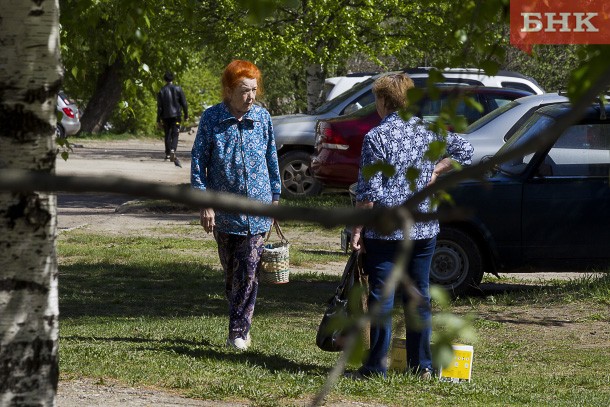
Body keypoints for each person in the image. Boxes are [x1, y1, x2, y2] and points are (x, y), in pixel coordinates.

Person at [349, 73, 474, 379]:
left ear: (382, 100)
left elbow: (369, 192)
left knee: (382, 298)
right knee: (419, 297)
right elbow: (466, 152)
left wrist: (356, 230)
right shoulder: (428, 130)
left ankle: (375, 367)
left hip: (385, 231)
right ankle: (423, 367)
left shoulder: (375, 137)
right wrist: (437, 168)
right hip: (423, 230)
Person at [191, 60, 281, 351]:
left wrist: (276, 198)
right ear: (229, 91)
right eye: (244, 91)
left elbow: (271, 160)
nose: (251, 97)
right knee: (232, 275)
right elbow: (198, 164)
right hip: (225, 214)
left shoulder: (263, 119)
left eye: (254, 90)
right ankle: (239, 318)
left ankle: (238, 330)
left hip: (258, 212)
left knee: (250, 271)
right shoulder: (211, 119)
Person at [157, 71, 189, 167]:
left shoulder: (161, 90)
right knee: (175, 134)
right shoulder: (178, 89)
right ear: (173, 79)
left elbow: (159, 107)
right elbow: (184, 103)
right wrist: (186, 115)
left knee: (167, 134)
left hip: (165, 116)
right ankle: (173, 150)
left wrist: (158, 119)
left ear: (164, 79)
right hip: (176, 116)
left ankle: (167, 154)